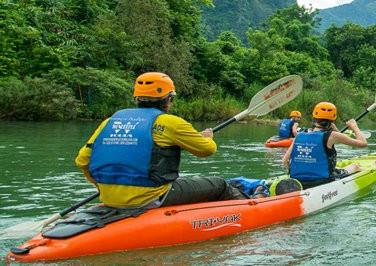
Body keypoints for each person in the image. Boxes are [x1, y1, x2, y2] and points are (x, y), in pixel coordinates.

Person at [75, 72, 247, 209]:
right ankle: (249, 210)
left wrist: (104, 187)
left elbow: (82, 161)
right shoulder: (171, 123)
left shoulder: (110, 121)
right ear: (168, 99)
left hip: (109, 197)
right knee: (220, 185)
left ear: (137, 98)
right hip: (153, 197)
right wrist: (208, 138)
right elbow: (207, 150)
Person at [282, 102, 368, 189]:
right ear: (332, 120)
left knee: (334, 167)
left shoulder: (299, 135)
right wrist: (354, 127)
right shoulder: (333, 135)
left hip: (297, 182)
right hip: (322, 181)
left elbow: (285, 160)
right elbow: (363, 143)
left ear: (314, 117)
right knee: (355, 166)